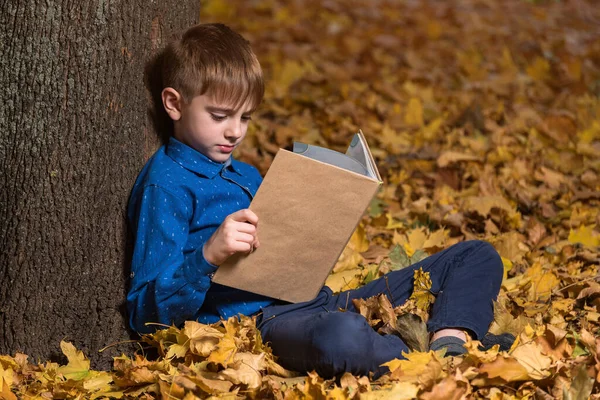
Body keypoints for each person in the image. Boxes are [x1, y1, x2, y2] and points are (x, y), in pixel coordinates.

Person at [127, 22, 506, 378]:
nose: (235, 132)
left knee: (476, 255)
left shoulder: (244, 173)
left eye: (246, 118)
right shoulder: (166, 187)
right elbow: (145, 314)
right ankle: (433, 357)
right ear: (174, 104)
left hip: (317, 300)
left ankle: (449, 343)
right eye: (220, 115)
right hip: (266, 322)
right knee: (341, 335)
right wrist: (208, 255)